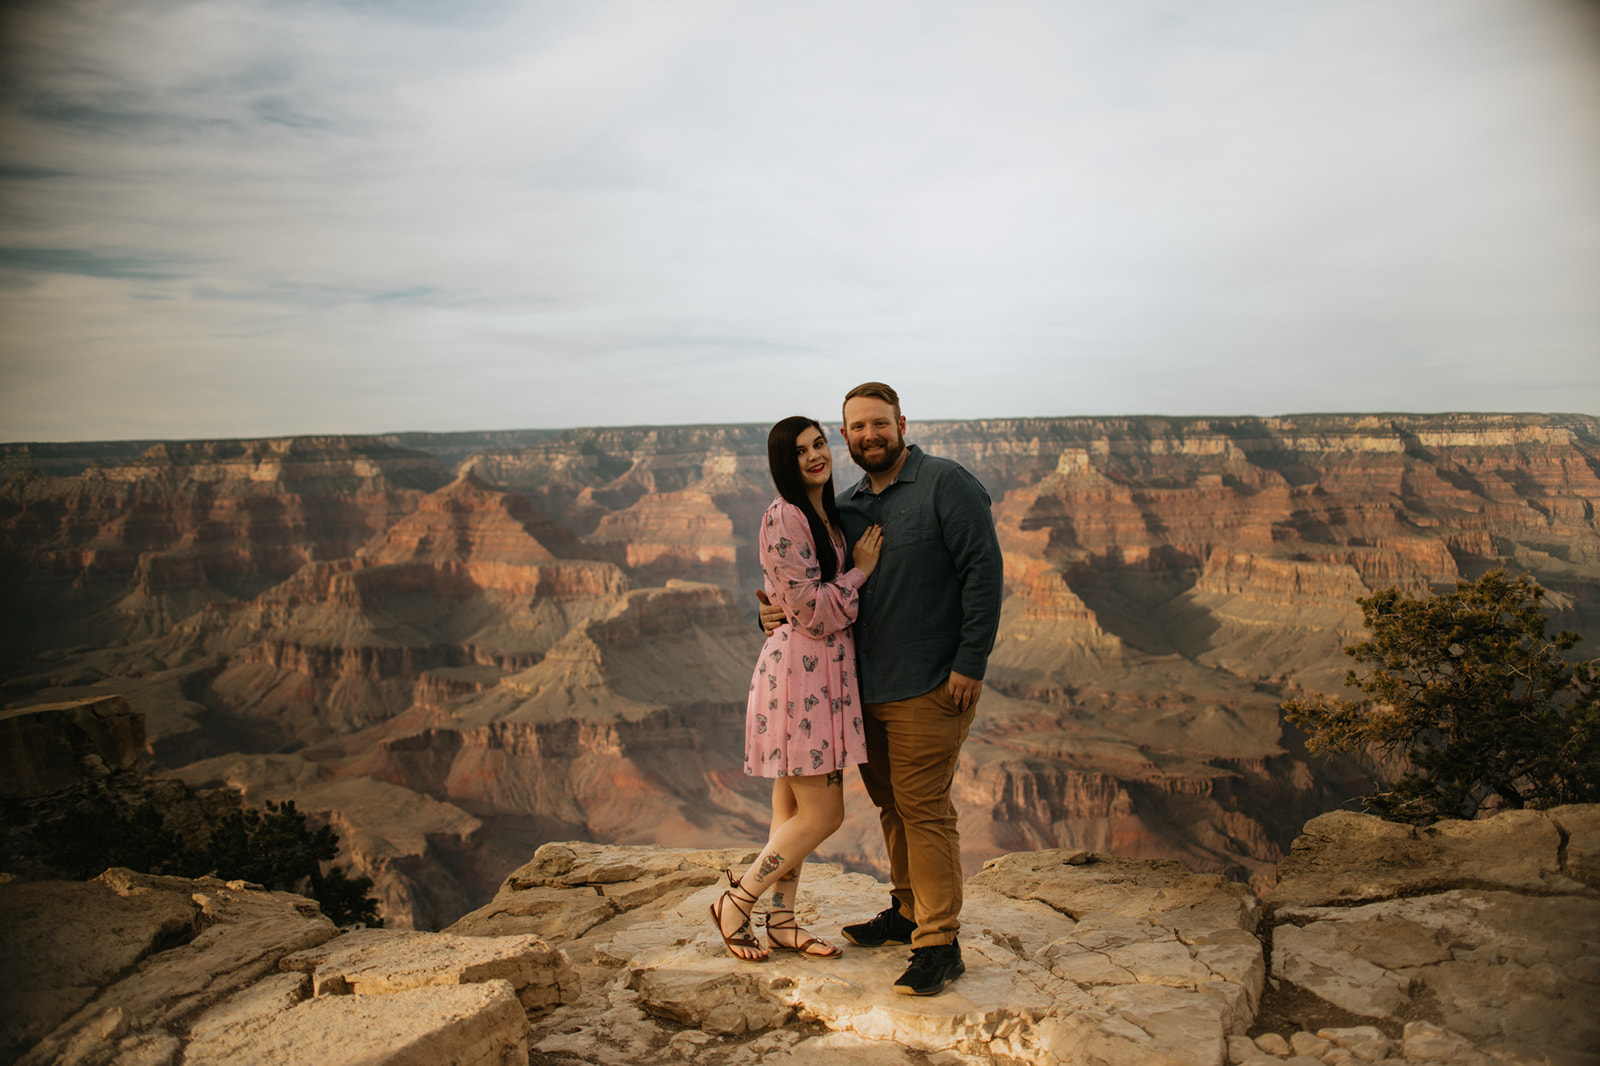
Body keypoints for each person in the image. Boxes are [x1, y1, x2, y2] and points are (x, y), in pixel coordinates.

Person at [759, 382, 1003, 995]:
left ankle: (939, 943)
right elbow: (805, 588)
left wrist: (970, 662)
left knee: (922, 807)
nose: (869, 435)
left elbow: (983, 573)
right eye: (856, 428)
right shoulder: (842, 507)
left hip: (929, 684)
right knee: (892, 805)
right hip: (860, 691)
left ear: (901, 423)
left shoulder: (947, 484)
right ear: (847, 437)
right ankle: (907, 910)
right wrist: (769, 616)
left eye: (879, 423)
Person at [711, 415, 884, 962]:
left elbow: (785, 597)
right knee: (823, 814)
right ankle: (737, 902)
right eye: (802, 450)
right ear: (784, 461)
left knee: (789, 813)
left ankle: (782, 921)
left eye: (820, 444)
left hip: (819, 674)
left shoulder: (819, 514)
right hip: (801, 677)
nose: (815, 455)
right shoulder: (784, 516)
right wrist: (859, 572)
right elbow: (811, 612)